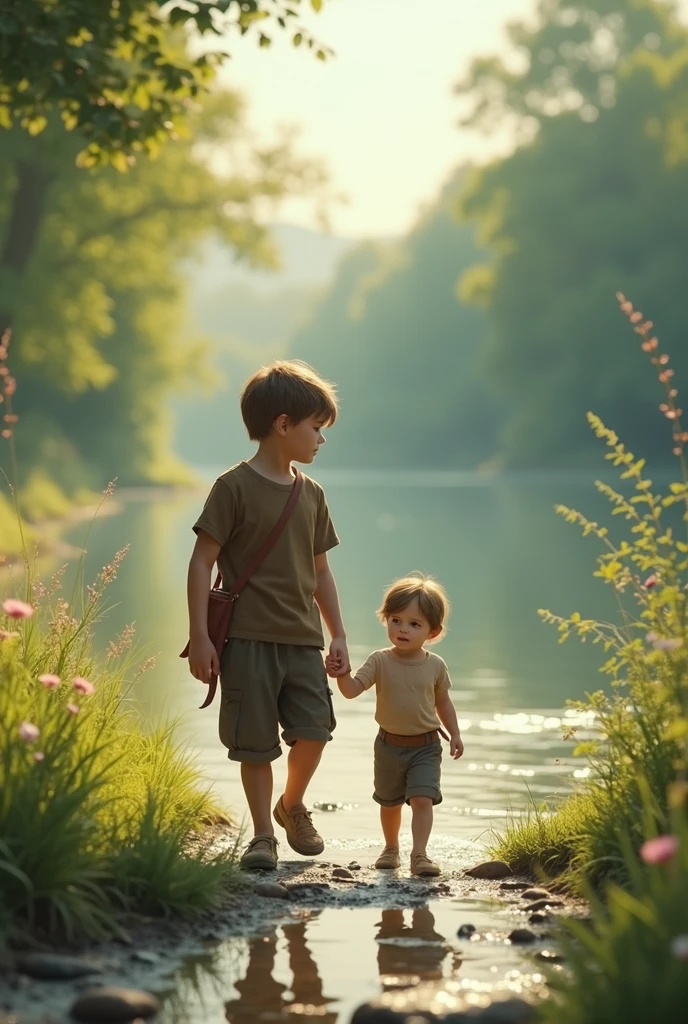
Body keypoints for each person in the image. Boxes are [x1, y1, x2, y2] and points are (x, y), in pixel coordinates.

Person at [186, 360, 349, 871]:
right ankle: (262, 835)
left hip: (303, 640)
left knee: (315, 730)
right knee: (253, 743)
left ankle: (291, 804)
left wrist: (338, 632)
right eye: (316, 428)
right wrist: (200, 637)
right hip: (247, 640)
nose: (322, 439)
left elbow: (321, 572)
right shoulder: (232, 487)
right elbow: (201, 561)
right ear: (283, 425)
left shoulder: (313, 495)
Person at [327, 575, 463, 877]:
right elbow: (350, 690)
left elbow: (443, 703)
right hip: (388, 745)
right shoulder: (379, 660)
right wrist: (340, 672)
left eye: (415, 624)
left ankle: (420, 854)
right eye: (396, 620)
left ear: (433, 631)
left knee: (422, 799)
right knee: (389, 803)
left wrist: (454, 734)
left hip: (426, 746)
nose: (403, 629)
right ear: (385, 619)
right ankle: (391, 848)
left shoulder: (435, 665)